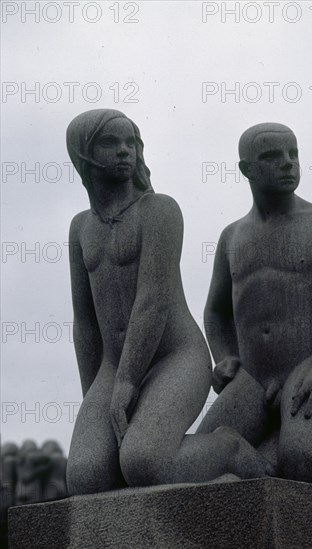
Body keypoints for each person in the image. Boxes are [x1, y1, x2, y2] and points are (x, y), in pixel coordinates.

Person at [66, 110, 272, 495]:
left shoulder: (159, 211)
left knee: (144, 462)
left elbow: (152, 302)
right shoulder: (81, 227)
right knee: (86, 476)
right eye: (110, 143)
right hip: (114, 366)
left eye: (131, 142)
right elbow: (85, 323)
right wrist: (93, 396)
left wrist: (127, 383)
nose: (125, 151)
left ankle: (226, 448)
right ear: (83, 154)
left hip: (174, 358)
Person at [197, 123, 312, 493]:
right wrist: (224, 358)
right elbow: (215, 312)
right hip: (250, 379)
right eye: (271, 156)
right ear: (246, 169)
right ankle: (270, 456)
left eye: (293, 154)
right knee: (201, 464)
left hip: (307, 371)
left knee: (307, 465)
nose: (287, 163)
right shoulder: (232, 237)